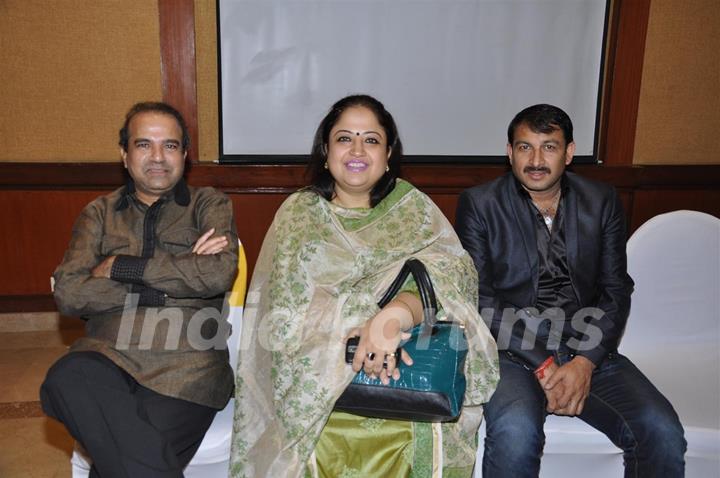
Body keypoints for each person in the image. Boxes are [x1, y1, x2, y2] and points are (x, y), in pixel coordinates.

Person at [229, 94, 498, 478]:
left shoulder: (414, 210)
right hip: (319, 398)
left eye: (371, 139)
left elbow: (455, 276)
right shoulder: (298, 215)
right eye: (344, 138)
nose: (357, 149)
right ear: (325, 151)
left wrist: (394, 317)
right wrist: (362, 328)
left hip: (409, 387)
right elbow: (285, 314)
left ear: (388, 154)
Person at [455, 104, 686, 477]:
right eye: (525, 147)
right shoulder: (480, 204)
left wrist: (585, 362)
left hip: (586, 345)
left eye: (549, 147)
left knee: (661, 431)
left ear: (569, 153)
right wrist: (543, 362)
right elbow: (480, 298)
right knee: (515, 433)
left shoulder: (602, 200)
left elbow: (616, 288)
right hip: (512, 352)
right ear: (509, 152)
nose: (535, 160)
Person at [40, 102, 239, 477]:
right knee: (65, 377)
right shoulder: (98, 214)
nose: (158, 157)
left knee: (124, 463)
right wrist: (165, 287)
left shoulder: (208, 204)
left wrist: (119, 266)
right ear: (125, 154)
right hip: (105, 356)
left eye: (170, 145)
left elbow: (216, 274)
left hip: (187, 367)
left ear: (185, 154)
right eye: (144, 144)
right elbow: (69, 292)